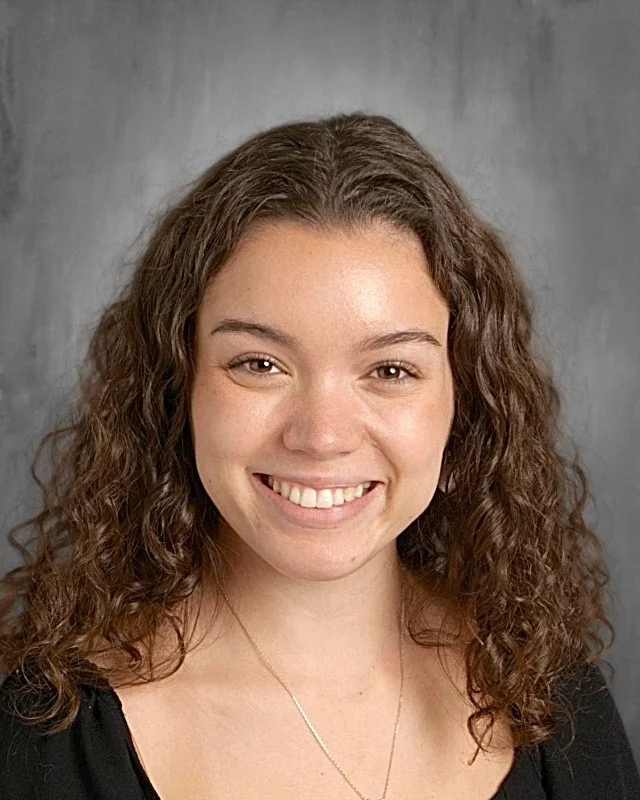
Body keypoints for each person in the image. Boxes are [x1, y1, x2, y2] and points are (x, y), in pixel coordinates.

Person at [0, 112, 638, 800]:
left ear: (468, 406)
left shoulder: (555, 703)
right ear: (174, 388)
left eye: (390, 370)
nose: (322, 435)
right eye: (260, 363)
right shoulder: (43, 731)